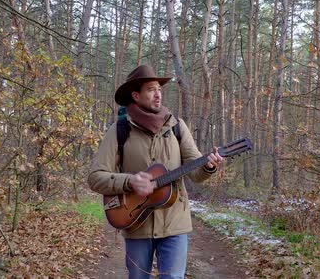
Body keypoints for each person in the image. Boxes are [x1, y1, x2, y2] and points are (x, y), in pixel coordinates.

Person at [88, 65, 223, 279]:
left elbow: (196, 173)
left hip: (174, 223)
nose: (158, 94)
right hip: (135, 222)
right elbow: (96, 177)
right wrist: (130, 181)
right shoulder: (120, 130)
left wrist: (208, 166)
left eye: (159, 88)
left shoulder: (177, 127)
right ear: (136, 95)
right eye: (151, 89)